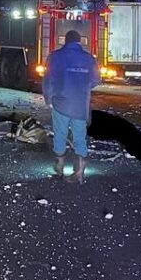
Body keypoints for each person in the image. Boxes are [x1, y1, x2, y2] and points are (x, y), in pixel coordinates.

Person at [42, 29, 101, 183]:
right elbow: (96, 80)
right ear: (79, 41)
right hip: (80, 103)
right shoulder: (89, 59)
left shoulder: (55, 57)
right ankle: (80, 171)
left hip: (61, 102)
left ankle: (60, 165)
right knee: (79, 136)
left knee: (60, 134)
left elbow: (49, 79)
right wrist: (83, 88)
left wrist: (48, 98)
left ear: (65, 41)